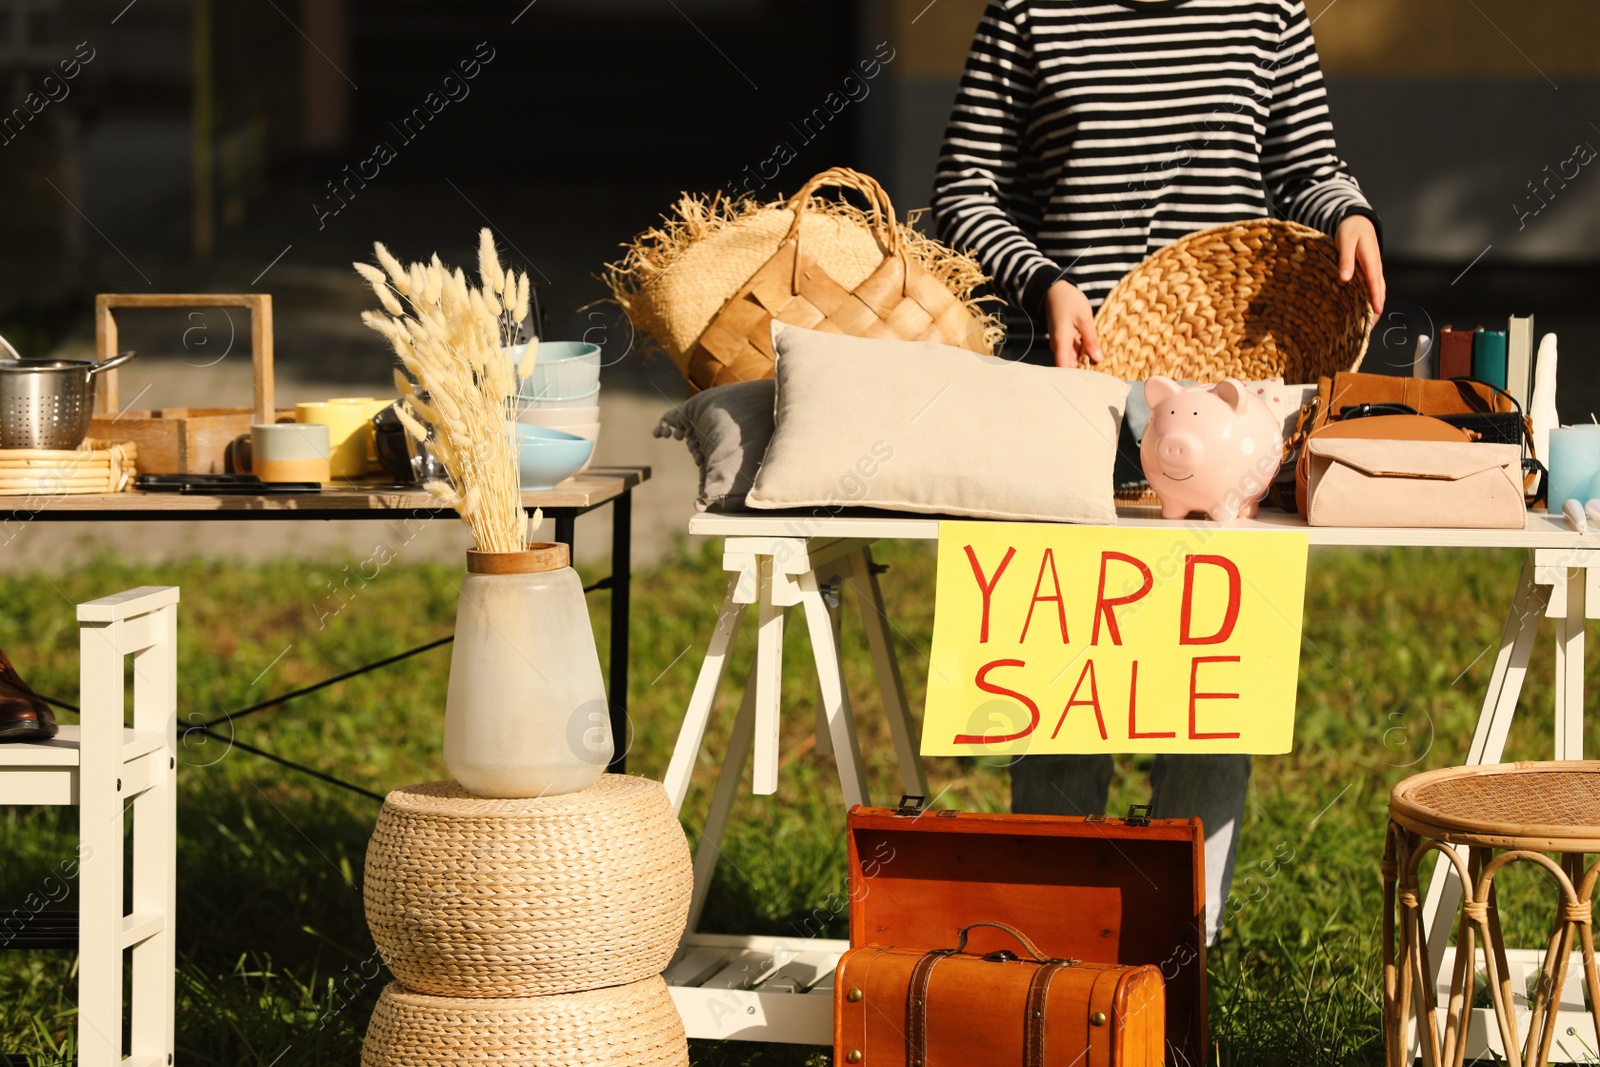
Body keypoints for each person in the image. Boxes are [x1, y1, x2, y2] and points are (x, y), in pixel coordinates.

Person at [930, 0, 1385, 941]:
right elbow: (965, 189)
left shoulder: (1266, 9)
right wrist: (1042, 280)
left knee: (1206, 708)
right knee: (1063, 705)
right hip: (1071, 410)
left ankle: (1181, 973)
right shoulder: (1027, 9)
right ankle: (1056, 967)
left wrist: (1345, 212)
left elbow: (1306, 166)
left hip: (1234, 423)